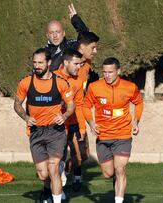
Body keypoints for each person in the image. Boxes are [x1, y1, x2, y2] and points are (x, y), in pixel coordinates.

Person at [14, 48, 74, 203]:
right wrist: (26, 117)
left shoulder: (60, 83)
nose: (37, 65)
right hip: (36, 131)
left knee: (53, 170)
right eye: (34, 62)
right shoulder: (26, 82)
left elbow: (71, 106)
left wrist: (65, 115)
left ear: (49, 63)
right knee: (43, 174)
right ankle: (54, 178)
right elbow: (17, 105)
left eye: (40, 62)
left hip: (55, 131)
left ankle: (56, 198)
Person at [83, 57, 143, 203]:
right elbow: (85, 106)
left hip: (123, 135)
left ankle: (118, 199)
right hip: (103, 137)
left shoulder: (130, 87)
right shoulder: (94, 87)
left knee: (120, 168)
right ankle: (116, 177)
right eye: (105, 72)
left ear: (118, 71)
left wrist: (136, 121)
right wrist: (91, 123)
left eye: (110, 72)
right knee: (108, 173)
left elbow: (139, 103)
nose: (107, 75)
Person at [53, 48, 88, 192]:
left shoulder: (79, 80)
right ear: (66, 62)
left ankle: (65, 172)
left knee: (81, 157)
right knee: (57, 158)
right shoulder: (53, 77)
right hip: (57, 125)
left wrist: (82, 127)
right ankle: (52, 191)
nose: (79, 67)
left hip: (73, 123)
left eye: (80, 64)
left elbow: (79, 105)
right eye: (76, 63)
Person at [46, 3, 89, 71]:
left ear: (63, 33)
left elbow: (87, 38)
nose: (55, 36)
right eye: (51, 33)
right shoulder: (43, 53)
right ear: (47, 35)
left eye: (58, 32)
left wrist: (76, 21)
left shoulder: (71, 46)